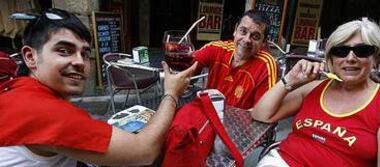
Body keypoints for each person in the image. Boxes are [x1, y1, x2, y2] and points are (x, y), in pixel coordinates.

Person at [0, 8, 198, 166]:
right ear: (30, 57)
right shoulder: (44, 111)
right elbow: (144, 151)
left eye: (84, 54)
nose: (79, 62)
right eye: (63, 50)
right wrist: (171, 93)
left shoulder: (20, 90)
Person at [253, 18, 380, 166]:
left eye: (362, 50)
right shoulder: (315, 88)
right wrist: (289, 80)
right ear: (330, 59)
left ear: (376, 58)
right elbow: (261, 114)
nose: (350, 57)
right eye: (341, 51)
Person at [193, 10, 277, 109]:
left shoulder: (266, 64)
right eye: (243, 31)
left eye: (255, 36)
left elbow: (264, 110)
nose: (246, 40)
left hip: (241, 123)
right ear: (235, 30)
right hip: (208, 116)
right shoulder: (217, 49)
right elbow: (186, 69)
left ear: (263, 42)